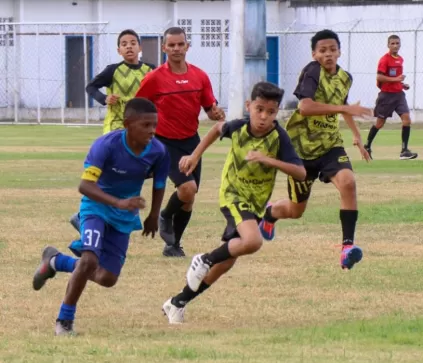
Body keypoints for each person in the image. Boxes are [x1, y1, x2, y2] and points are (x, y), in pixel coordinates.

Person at [161, 82, 306, 323]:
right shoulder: (238, 127)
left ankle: (178, 302)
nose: (263, 117)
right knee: (252, 241)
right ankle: (205, 259)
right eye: (259, 109)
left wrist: (269, 161)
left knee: (226, 261)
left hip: (256, 204)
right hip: (233, 196)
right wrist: (194, 156)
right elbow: (217, 129)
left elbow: (300, 172)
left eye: (271, 112)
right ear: (249, 106)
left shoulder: (279, 137)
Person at [32, 98, 170, 336]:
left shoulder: (158, 151)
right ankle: (64, 322)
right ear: (128, 124)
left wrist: (153, 215)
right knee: (89, 262)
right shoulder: (105, 145)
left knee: (107, 278)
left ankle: (54, 261)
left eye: (154, 125)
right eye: (145, 125)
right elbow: (85, 186)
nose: (152, 131)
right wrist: (118, 202)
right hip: (96, 206)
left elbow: (159, 183)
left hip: (124, 216)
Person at [257, 29, 371, 271]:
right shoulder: (313, 71)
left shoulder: (345, 78)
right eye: (322, 50)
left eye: (332, 49)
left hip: (330, 145)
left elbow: (343, 107)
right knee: (296, 210)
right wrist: (344, 109)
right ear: (314, 54)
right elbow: (305, 107)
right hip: (300, 151)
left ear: (339, 51)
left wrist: (358, 136)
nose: (328, 54)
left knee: (348, 183)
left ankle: (347, 248)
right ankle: (271, 213)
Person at [135, 27, 225, 258]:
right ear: (164, 48)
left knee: (188, 198)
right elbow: (138, 107)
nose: (176, 49)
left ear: (187, 46)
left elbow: (208, 107)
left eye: (180, 44)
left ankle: (173, 245)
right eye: (171, 45)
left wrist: (215, 113)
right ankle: (164, 215)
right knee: (188, 188)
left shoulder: (200, 76)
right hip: (165, 143)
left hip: (192, 142)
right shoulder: (155, 78)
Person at [67, 29, 155, 243]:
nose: (129, 46)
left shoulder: (151, 70)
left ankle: (90, 218)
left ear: (140, 47)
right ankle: (90, 217)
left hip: (141, 128)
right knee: (115, 173)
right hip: (116, 127)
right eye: (124, 43)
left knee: (142, 170)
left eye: (133, 42)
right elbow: (91, 87)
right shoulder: (113, 71)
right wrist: (104, 98)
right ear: (118, 50)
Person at [364, 34, 418, 160]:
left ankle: (404, 151)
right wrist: (396, 80)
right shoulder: (384, 60)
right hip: (386, 96)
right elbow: (379, 77)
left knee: (407, 120)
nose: (395, 46)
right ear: (388, 45)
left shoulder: (400, 59)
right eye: (392, 43)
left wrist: (402, 84)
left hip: (399, 95)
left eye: (397, 43)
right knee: (379, 123)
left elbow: (395, 78)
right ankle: (367, 146)